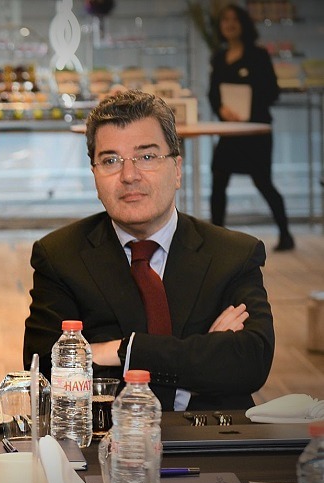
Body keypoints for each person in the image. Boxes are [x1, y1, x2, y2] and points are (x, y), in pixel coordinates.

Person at [23, 90, 275, 412]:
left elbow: (250, 362)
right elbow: (47, 371)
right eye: (111, 160)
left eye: (146, 156)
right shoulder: (60, 257)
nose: (129, 176)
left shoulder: (233, 254)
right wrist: (201, 356)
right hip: (107, 444)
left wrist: (119, 351)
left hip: (210, 443)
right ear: (95, 176)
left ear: (178, 169)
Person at [207, 4, 293, 251]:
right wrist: (223, 110)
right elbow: (213, 93)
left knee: (263, 181)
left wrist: (246, 108)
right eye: (225, 20)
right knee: (218, 179)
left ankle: (285, 234)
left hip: (255, 130)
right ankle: (216, 238)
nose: (229, 24)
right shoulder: (218, 57)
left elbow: (272, 91)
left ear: (244, 24)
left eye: (234, 19)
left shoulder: (258, 55)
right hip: (230, 131)